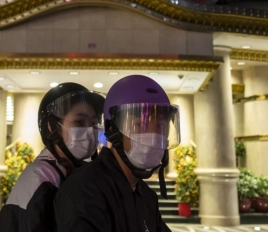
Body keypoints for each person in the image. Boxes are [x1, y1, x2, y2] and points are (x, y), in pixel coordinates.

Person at [54, 75, 179, 232]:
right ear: (112, 130)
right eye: (140, 124)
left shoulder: (146, 196)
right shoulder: (83, 191)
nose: (154, 136)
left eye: (161, 126)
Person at [0, 83, 105, 232]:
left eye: (94, 123)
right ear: (52, 127)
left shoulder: (79, 170)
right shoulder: (40, 177)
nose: (89, 130)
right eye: (79, 122)